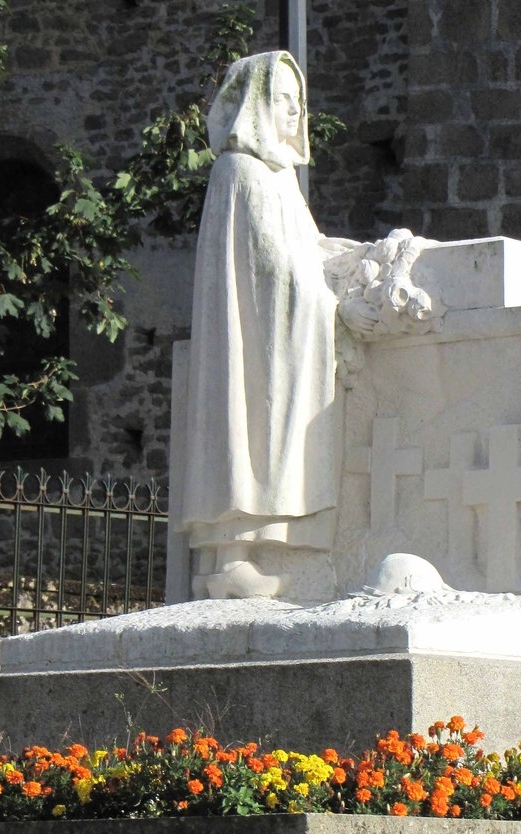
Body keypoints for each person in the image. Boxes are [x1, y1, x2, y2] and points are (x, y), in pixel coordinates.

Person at [180, 51, 349, 599]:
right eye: (283, 101)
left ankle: (256, 552)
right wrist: (331, 302)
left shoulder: (280, 181)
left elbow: (309, 249)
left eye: (300, 104)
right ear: (256, 105)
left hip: (278, 331)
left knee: (268, 436)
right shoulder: (240, 172)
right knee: (246, 431)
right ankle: (229, 558)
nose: (296, 114)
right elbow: (274, 265)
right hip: (254, 337)